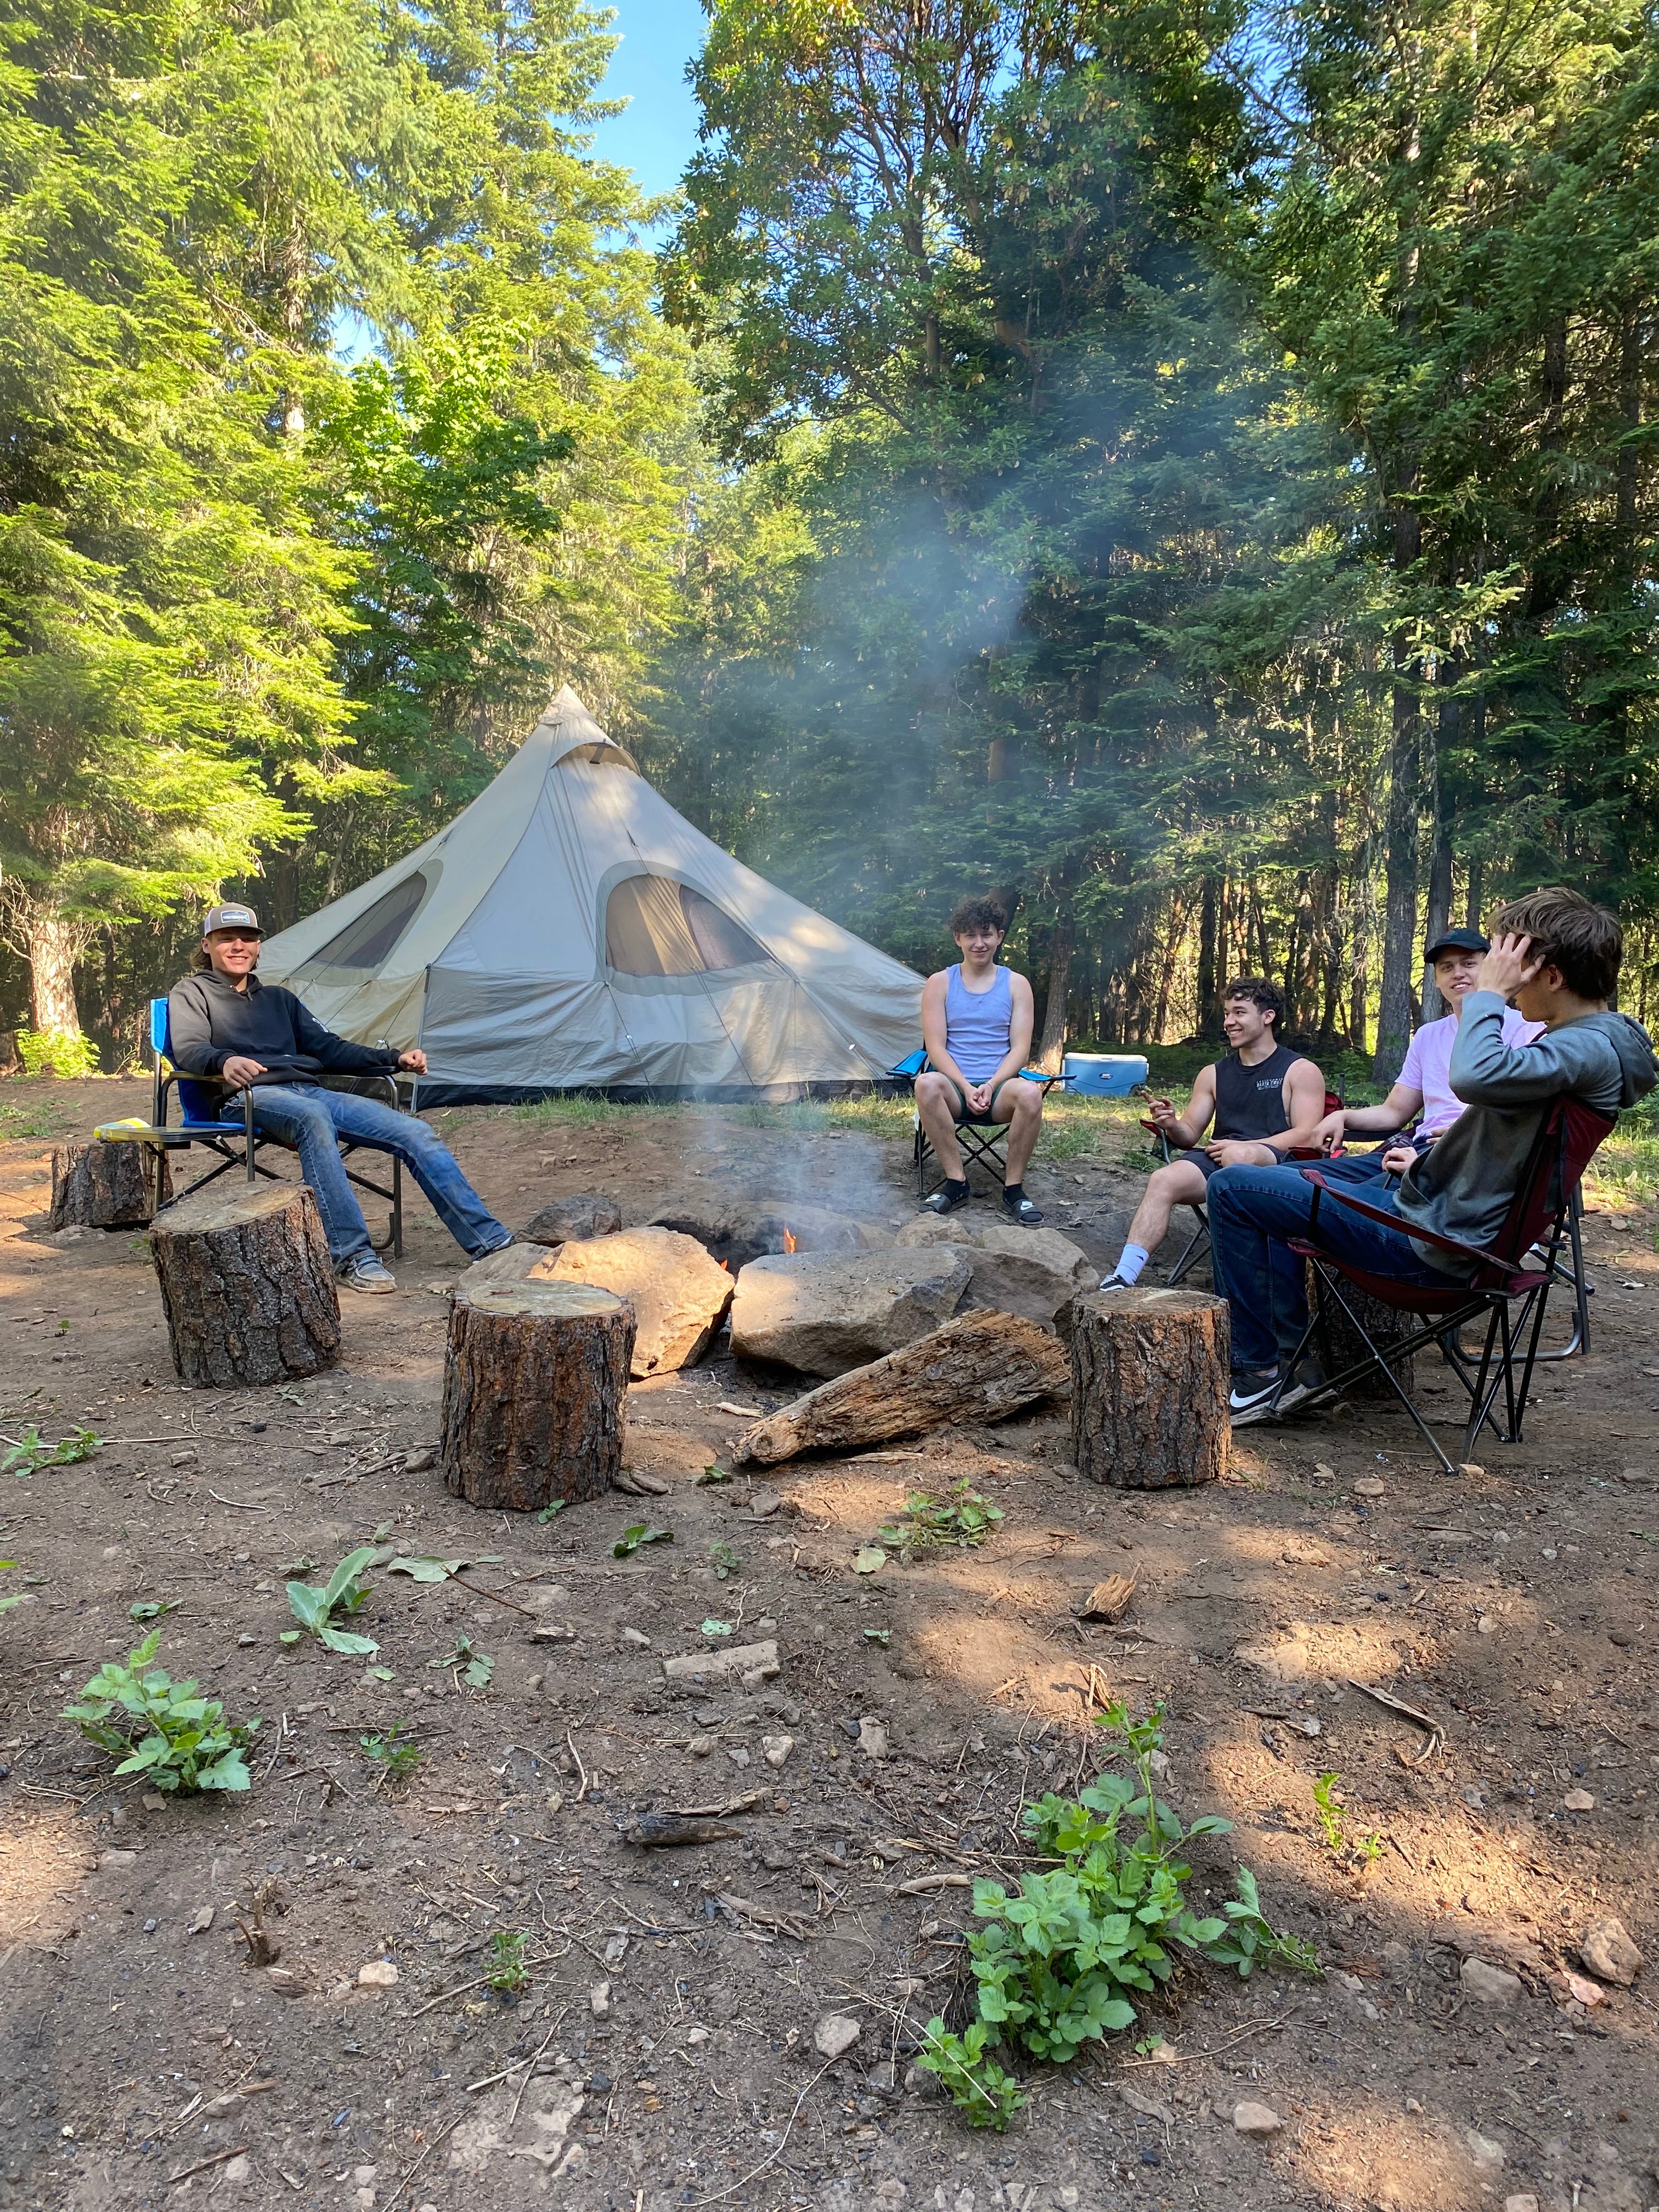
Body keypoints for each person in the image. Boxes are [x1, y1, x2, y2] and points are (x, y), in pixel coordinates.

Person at [1208, 887, 1657, 1421]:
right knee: (1285, 1175)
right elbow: (1508, 1154)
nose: (1505, 987)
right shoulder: (1593, 1042)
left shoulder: (1581, 1047)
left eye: (1510, 971)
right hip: (1445, 1220)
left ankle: (1261, 1375)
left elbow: (1470, 1078)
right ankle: (1291, 1364)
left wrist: (1485, 998)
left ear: (1553, 977)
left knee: (1234, 1189)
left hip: (1429, 1246)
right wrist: (1428, 1162)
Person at [167, 902, 514, 1293]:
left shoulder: (280, 999)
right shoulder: (191, 992)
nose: (238, 946)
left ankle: (492, 1244)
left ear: (259, 946)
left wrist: (394, 1059)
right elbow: (189, 1048)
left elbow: (330, 1049)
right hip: (246, 1095)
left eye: (247, 938)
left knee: (415, 1131)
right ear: (207, 945)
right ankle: (352, 1256)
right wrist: (224, 1059)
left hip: (308, 1092)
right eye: (226, 938)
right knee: (312, 1116)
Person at [1098, 977, 1327, 1288]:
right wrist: (1171, 1123)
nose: (1229, 1022)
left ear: (1268, 1016)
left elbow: (1308, 1135)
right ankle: (1124, 1276)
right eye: (1227, 1014)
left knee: (1238, 1156)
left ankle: (1246, 1289)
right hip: (1219, 1160)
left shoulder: (1300, 1070)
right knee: (1163, 1179)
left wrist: (1247, 1147)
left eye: (1239, 1013)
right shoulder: (1213, 1074)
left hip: (1278, 1169)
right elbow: (1189, 1134)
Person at [1302, 928, 1542, 1180]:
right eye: (1446, 967)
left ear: (1491, 969)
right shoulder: (1428, 1035)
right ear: (1436, 980)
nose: (1458, 973)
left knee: (1313, 1192)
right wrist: (1343, 1115)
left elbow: (1527, 1117)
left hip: (1472, 1160)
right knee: (1295, 1175)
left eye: (1469, 964)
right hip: (1416, 1148)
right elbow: (1394, 1111)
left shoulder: (1527, 1030)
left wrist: (1466, 1136)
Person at [915, 894, 1046, 1224]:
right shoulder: (940, 983)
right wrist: (964, 1085)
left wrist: (991, 1084)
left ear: (999, 937)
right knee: (927, 1082)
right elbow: (936, 1047)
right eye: (970, 935)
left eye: (987, 934)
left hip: (999, 1087)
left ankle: (1013, 1189)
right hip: (954, 1088)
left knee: (1031, 1093)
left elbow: (1020, 1049)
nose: (979, 943)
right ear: (958, 938)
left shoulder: (1017, 985)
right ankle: (956, 1182)